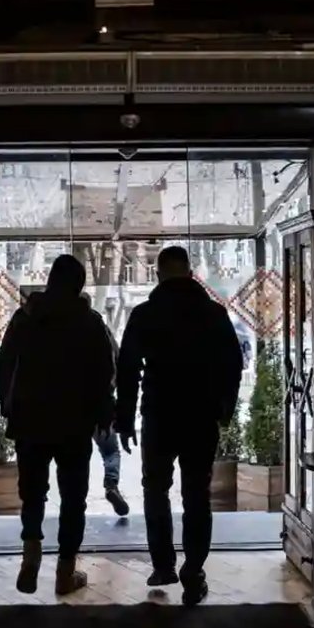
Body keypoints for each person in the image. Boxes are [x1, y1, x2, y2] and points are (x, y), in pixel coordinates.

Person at [116, 247, 242, 605]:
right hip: (201, 416)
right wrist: (225, 408)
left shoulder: (145, 314)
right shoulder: (213, 313)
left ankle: (163, 564)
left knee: (155, 489)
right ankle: (194, 570)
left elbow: (127, 369)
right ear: (190, 272)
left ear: (158, 275)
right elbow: (233, 363)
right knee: (197, 494)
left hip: (159, 414)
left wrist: (124, 418)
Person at [0, 256, 115, 596]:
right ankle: (65, 572)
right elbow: (104, 373)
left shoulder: (25, 318)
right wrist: (103, 414)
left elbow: (4, 362)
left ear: (49, 280)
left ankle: (31, 556)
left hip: (30, 420)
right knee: (73, 498)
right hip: (74, 423)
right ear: (79, 286)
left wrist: (10, 404)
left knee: (33, 493)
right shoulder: (90, 323)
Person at [81, 293, 131, 517]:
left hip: (72, 408)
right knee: (110, 451)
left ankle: (76, 501)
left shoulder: (60, 330)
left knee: (76, 459)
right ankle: (111, 485)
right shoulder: (102, 330)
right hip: (102, 405)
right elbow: (119, 363)